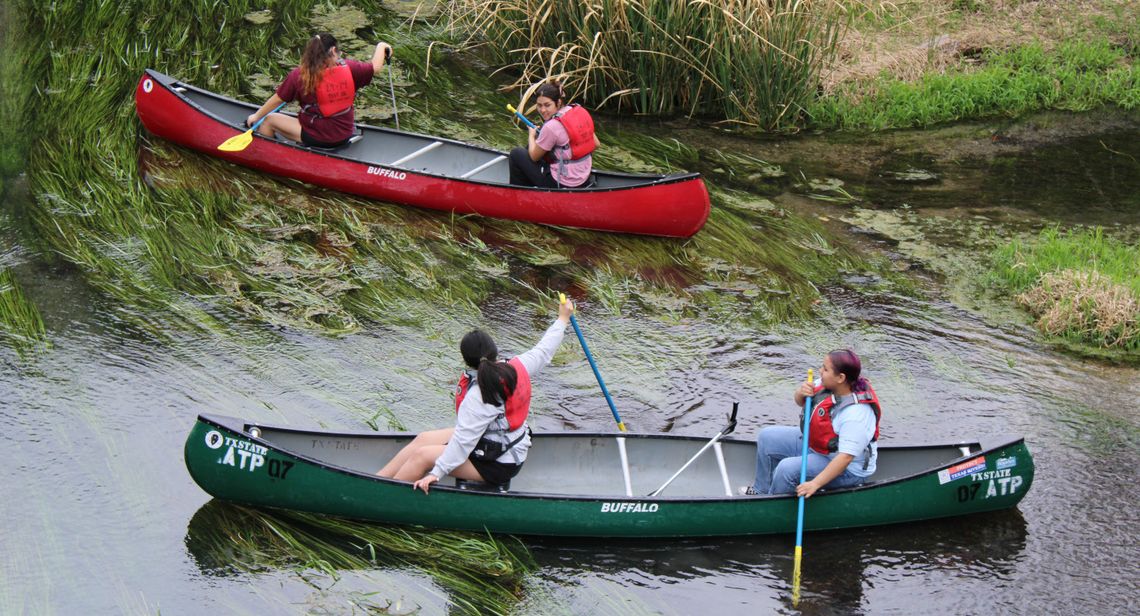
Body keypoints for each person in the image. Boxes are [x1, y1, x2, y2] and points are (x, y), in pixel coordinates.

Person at [377, 298, 574, 493]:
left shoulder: (479, 396)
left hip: (499, 463)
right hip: (492, 442)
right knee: (423, 439)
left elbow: (463, 442)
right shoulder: (517, 366)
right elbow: (544, 350)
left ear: (466, 360)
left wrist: (435, 473)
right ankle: (376, 483)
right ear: (494, 352)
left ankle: (383, 499)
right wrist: (563, 318)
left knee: (421, 456)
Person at [740, 349, 882, 497]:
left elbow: (845, 458)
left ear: (841, 377)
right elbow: (799, 401)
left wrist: (815, 484)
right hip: (819, 447)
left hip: (847, 469)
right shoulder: (829, 383)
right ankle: (761, 491)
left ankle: (772, 506)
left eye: (825, 369)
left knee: (786, 469)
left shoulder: (856, 414)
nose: (820, 371)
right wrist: (801, 393)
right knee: (767, 437)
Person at [245, 33, 392, 148]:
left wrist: (256, 116)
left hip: (318, 135)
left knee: (269, 120)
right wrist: (381, 45)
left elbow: (277, 100)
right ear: (334, 51)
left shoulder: (299, 75)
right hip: (345, 133)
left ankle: (272, 155)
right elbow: (375, 67)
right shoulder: (351, 68)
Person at [508, 82, 600, 188]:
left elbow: (534, 157)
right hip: (584, 177)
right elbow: (596, 144)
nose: (542, 110)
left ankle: (519, 195)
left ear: (558, 102)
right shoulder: (578, 113)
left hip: (562, 182)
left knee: (516, 154)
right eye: (539, 105)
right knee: (534, 146)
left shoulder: (551, 126)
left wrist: (531, 135)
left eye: (547, 105)